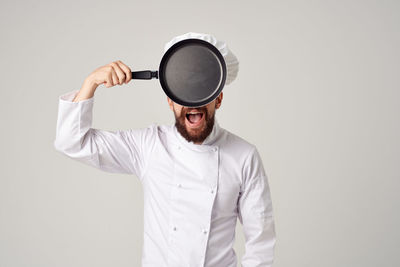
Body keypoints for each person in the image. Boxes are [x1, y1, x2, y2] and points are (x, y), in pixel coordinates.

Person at [54, 32, 276, 267]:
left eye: (202, 90)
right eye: (183, 91)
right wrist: (91, 83)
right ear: (170, 100)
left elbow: (260, 242)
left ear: (218, 99)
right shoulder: (149, 146)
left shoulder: (244, 156)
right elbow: (72, 141)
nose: (193, 102)